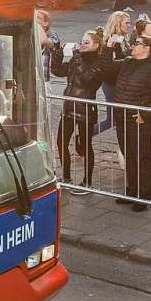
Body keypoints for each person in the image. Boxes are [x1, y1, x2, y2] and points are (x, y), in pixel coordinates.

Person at [112, 35, 151, 211]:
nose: (133, 45)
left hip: (140, 120)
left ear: (147, 48)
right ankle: (131, 190)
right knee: (129, 154)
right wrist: (108, 47)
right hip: (122, 116)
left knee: (141, 157)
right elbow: (107, 69)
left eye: (137, 43)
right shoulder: (128, 62)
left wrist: (143, 113)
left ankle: (143, 196)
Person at [50, 30, 110, 191]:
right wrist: (58, 53)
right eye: (82, 41)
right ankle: (66, 177)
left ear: (96, 45)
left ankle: (87, 182)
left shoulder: (99, 62)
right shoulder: (77, 59)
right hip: (69, 106)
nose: (82, 45)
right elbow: (58, 71)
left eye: (86, 42)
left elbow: (87, 79)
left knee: (85, 145)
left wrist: (77, 56)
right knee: (61, 142)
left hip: (85, 108)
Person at [94, 10, 131, 140]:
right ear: (117, 24)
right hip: (111, 84)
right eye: (126, 23)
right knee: (112, 120)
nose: (129, 25)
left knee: (116, 118)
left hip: (118, 83)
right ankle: (84, 135)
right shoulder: (112, 40)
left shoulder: (121, 39)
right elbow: (108, 66)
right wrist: (126, 61)